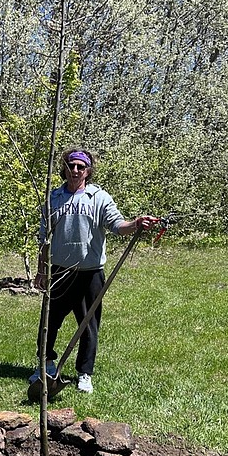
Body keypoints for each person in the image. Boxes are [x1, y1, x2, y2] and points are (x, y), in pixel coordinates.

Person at [30, 148, 158, 394]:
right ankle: (45, 364)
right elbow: (44, 239)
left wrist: (136, 223)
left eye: (80, 166)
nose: (75, 170)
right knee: (49, 321)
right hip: (59, 271)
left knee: (88, 325)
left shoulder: (98, 197)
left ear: (88, 170)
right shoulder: (53, 198)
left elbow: (118, 225)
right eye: (71, 166)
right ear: (64, 168)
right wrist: (41, 270)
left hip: (90, 273)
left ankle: (84, 373)